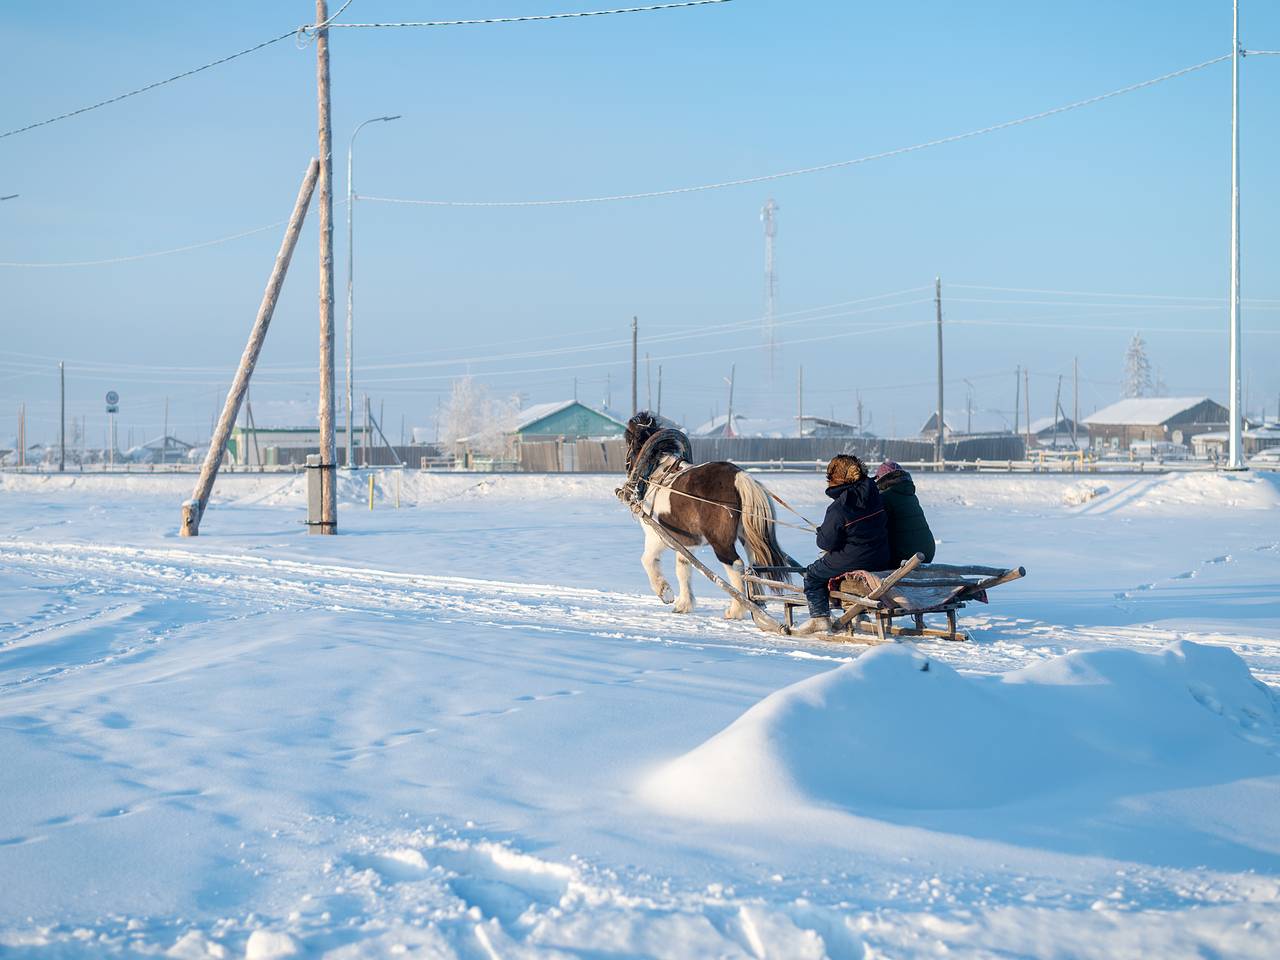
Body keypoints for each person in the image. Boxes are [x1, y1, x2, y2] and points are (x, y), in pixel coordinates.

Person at [794, 454, 891, 635]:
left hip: (854, 558)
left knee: (812, 575)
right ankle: (858, 613)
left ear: (835, 479)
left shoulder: (839, 507)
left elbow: (825, 543)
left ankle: (820, 618)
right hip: (880, 557)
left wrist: (822, 531)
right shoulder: (874, 495)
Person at [874, 460, 937, 565]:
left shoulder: (885, 497)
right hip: (928, 550)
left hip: (907, 555)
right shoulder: (911, 495)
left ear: (881, 479)